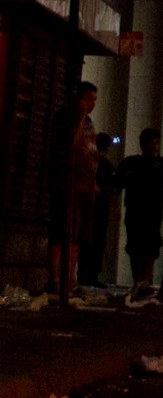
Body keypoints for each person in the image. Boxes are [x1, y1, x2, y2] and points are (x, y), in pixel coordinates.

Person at [46, 83, 100, 294]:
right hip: (66, 184)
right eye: (88, 99)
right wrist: (79, 117)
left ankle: (70, 277)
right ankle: (55, 278)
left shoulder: (88, 122)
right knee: (62, 231)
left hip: (84, 186)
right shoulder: (66, 118)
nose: (92, 104)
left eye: (94, 100)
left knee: (78, 235)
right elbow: (69, 145)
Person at [114, 129, 163, 297]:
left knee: (151, 244)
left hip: (153, 209)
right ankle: (138, 280)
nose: (155, 146)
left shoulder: (162, 164)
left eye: (156, 142)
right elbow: (117, 183)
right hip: (135, 208)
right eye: (152, 142)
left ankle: (145, 280)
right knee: (135, 244)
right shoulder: (131, 163)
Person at [79, 133, 116, 287]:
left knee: (86, 239)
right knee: (98, 240)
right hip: (100, 207)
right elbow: (112, 189)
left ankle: (82, 273)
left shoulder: (88, 162)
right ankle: (92, 274)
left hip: (87, 204)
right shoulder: (106, 166)